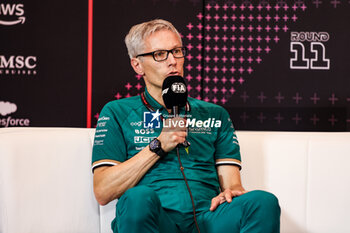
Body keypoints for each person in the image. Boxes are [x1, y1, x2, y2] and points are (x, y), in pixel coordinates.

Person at [92, 19, 280, 233]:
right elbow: (103, 191)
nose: (172, 61)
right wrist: (158, 145)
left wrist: (233, 191)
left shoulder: (214, 114)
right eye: (160, 54)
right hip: (157, 220)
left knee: (263, 202)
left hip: (207, 219)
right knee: (137, 198)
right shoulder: (117, 112)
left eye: (177, 51)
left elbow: (232, 184)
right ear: (137, 65)